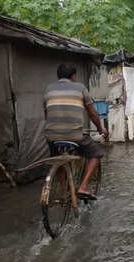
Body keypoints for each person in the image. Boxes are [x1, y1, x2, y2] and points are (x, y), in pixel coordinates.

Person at [43, 63, 108, 200]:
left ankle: (63, 190)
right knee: (96, 153)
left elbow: (47, 114)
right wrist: (100, 129)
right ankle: (83, 187)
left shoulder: (49, 89)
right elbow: (93, 114)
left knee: (58, 159)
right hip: (74, 135)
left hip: (51, 136)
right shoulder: (80, 88)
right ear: (73, 76)